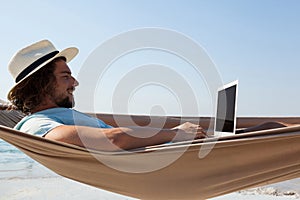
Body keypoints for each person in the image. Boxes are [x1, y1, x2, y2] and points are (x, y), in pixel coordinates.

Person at [6, 40, 207, 151]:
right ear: (41, 85)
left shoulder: (63, 116)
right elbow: (112, 140)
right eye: (66, 76)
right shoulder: (37, 125)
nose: (75, 83)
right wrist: (176, 133)